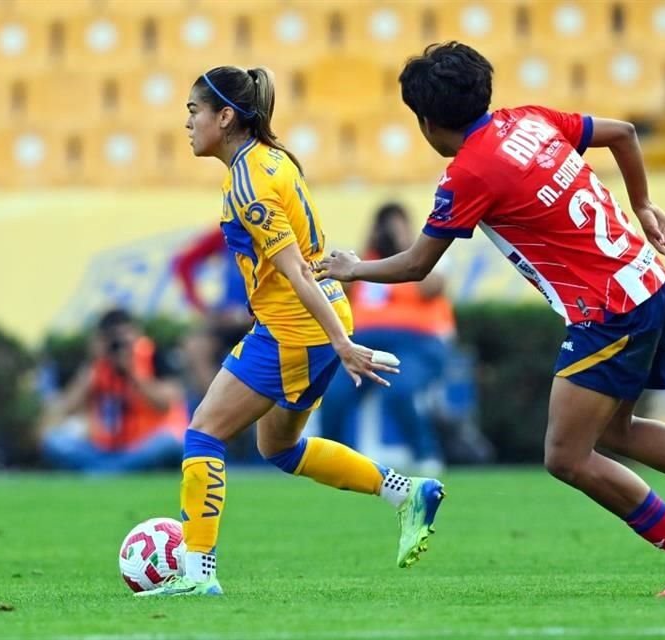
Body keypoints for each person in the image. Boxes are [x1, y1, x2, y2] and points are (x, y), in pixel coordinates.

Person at [320, 42, 665, 597]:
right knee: (617, 431)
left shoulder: (468, 173)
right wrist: (642, 204)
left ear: (425, 121)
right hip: (648, 280)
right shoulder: (529, 120)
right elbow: (625, 134)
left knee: (566, 456)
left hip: (609, 310)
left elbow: (418, 263)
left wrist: (353, 268)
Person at [140, 66, 445, 597]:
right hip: (316, 319)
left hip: (295, 330)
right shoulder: (271, 158)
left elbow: (297, 270)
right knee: (278, 447)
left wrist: (340, 344)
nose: (187, 124)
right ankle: (406, 493)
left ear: (225, 116)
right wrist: (337, 334)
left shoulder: (248, 182)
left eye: (194, 112)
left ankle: (197, 574)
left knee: (204, 431)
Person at [322, 202, 455, 474]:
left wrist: (405, 247)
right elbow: (338, 289)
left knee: (401, 389)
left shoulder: (425, 255)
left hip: (417, 343)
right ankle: (332, 460)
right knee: (335, 393)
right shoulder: (363, 262)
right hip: (365, 344)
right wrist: (361, 259)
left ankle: (425, 455)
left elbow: (432, 288)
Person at [39, 309, 187, 473]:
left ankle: (105, 471)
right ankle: (114, 470)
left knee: (168, 443)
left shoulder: (152, 357)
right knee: (55, 442)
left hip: (144, 447)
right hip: (105, 450)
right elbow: (65, 409)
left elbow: (164, 404)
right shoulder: (97, 366)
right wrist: (92, 366)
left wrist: (133, 372)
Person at [172, 226, 253, 413]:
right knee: (195, 347)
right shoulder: (229, 230)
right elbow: (184, 263)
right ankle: (217, 412)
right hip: (229, 319)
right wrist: (202, 308)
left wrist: (249, 315)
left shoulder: (275, 234)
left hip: (262, 319)